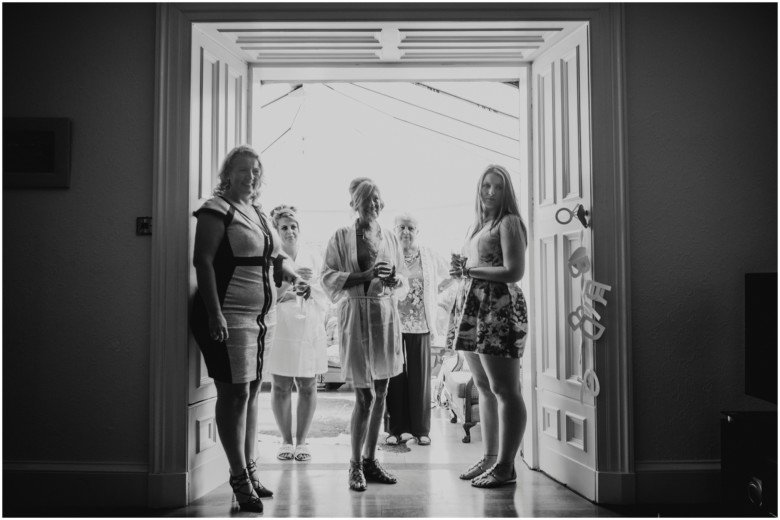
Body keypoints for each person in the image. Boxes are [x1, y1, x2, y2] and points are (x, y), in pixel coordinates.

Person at [191, 145, 310, 512]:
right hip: (229, 312)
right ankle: (239, 477)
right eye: (244, 170)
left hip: (263, 316)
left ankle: (250, 467)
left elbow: (275, 254)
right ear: (228, 173)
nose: (251, 176)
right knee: (235, 393)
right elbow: (203, 262)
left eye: (256, 170)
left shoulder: (257, 211)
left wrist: (290, 273)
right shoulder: (217, 208)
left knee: (254, 390)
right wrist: (215, 314)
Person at [321, 177, 407, 492]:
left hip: (384, 315)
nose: (372, 205)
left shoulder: (390, 238)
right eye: (366, 200)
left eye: (376, 200)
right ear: (354, 204)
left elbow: (402, 284)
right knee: (363, 394)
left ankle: (371, 460)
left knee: (382, 391)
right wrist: (365, 275)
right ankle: (354, 464)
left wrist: (395, 278)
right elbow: (327, 276)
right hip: (355, 315)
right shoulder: (341, 237)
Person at [446, 164, 529, 489]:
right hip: (474, 309)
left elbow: (513, 271)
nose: (491, 192)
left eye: (497, 187)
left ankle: (506, 466)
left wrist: (472, 271)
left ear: (506, 191)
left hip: (499, 311)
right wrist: (462, 270)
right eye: (485, 186)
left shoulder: (509, 222)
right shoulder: (477, 226)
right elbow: (474, 269)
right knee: (484, 388)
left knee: (506, 390)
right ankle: (490, 456)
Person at [266, 204, 329, 463]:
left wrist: (310, 287)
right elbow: (266, 294)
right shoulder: (271, 258)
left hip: (309, 326)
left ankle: (302, 441)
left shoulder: (313, 255)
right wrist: (288, 291)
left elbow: (325, 289)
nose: (290, 231)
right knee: (280, 385)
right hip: (281, 326)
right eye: (284, 227)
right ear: (276, 231)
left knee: (308, 383)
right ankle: (285, 440)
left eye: (293, 227)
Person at [384, 213, 453, 447]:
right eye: (401, 227)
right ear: (394, 229)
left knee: (419, 379)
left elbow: (452, 273)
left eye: (411, 228)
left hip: (421, 324)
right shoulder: (388, 254)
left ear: (417, 232)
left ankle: (421, 429)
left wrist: (436, 292)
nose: (406, 232)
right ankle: (397, 429)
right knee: (395, 377)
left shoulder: (429, 255)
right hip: (392, 325)